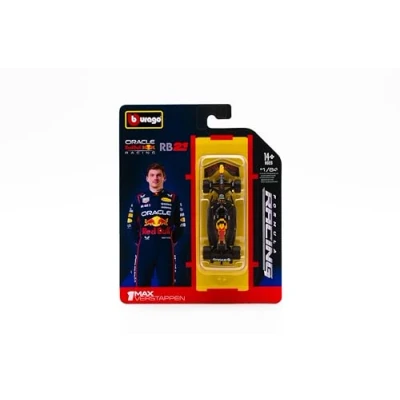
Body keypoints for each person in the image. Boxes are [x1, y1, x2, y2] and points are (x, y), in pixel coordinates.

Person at [127, 163, 186, 286]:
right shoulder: (138, 199)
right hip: (145, 246)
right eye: (152, 175)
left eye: (159, 175)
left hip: (165, 246)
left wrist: (172, 239)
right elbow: (130, 223)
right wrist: (138, 240)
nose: (155, 178)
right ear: (147, 178)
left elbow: (181, 224)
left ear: (164, 178)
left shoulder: (173, 198)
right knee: (142, 286)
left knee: (167, 285)